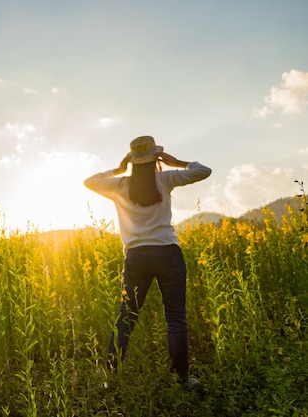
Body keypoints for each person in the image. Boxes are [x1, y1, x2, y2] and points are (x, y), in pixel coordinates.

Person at [83, 135, 211, 387]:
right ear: (155, 157)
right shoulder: (165, 179)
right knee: (175, 317)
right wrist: (177, 162)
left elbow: (90, 181)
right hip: (167, 252)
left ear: (132, 160)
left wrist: (118, 169)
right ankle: (181, 379)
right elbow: (203, 170)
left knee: (126, 316)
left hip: (136, 256)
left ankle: (109, 373)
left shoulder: (119, 185)